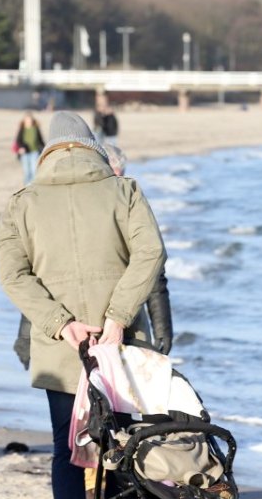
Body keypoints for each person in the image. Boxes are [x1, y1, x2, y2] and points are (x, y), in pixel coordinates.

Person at [0, 112, 166, 499]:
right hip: (121, 343)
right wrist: (118, 317)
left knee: (66, 448)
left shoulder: (23, 201)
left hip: (61, 350)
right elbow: (151, 253)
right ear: (91, 145)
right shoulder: (123, 190)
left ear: (49, 151)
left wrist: (61, 324)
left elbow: (13, 276)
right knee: (128, 442)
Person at [11, 140, 173, 371]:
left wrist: (163, 330)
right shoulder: (63, 212)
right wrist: (25, 339)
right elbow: (38, 280)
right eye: (109, 175)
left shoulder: (128, 202)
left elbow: (153, 274)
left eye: (119, 175)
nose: (112, 183)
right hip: (69, 333)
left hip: (120, 333)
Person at [12, 112, 45, 186]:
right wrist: (21, 148)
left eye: (30, 120)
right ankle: (26, 188)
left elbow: (41, 140)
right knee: (27, 172)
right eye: (27, 120)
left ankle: (32, 187)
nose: (28, 122)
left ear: (32, 120)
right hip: (25, 153)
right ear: (24, 121)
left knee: (34, 171)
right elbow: (18, 140)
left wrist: (45, 149)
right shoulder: (22, 129)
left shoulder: (36, 129)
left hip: (35, 152)